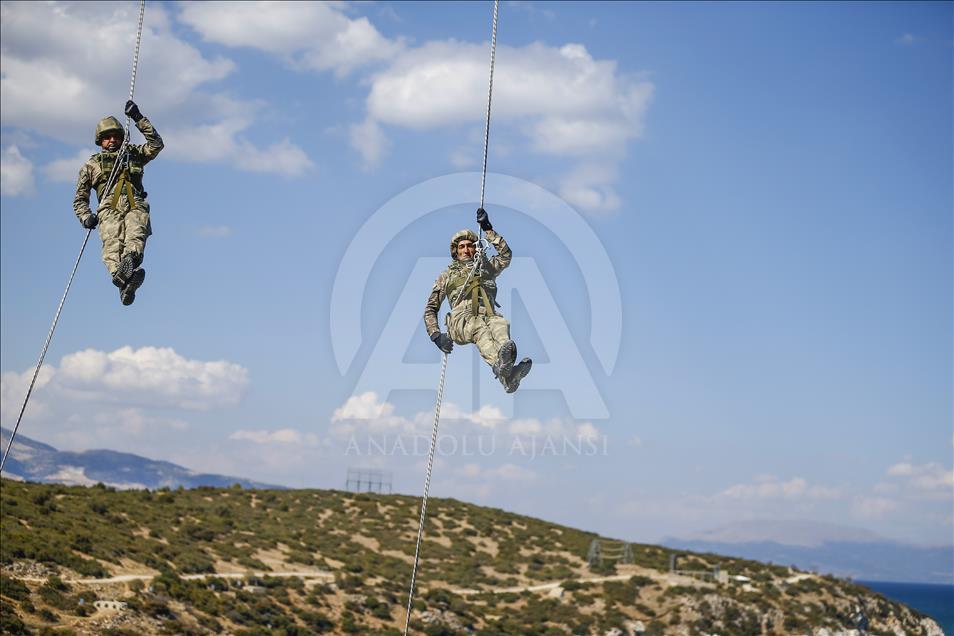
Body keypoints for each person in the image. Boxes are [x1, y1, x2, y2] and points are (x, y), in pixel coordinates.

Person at [423, 208, 532, 393]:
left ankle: (508, 374)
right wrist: (436, 336)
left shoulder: (486, 268)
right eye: (462, 246)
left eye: (470, 245)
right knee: (478, 328)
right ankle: (500, 363)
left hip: (487, 313)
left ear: (476, 248)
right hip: (461, 320)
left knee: (500, 324)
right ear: (456, 252)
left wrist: (488, 229)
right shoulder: (447, 275)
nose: (466, 249)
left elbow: (506, 256)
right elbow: (431, 308)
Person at [74, 100, 163, 306]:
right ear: (100, 141)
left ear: (122, 138)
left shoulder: (133, 154)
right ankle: (122, 278)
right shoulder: (92, 164)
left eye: (116, 136)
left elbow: (156, 145)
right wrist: (86, 217)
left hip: (135, 203)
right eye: (107, 137)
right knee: (113, 244)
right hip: (109, 207)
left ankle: (128, 268)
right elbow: (80, 197)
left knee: (136, 235)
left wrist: (139, 118)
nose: (112, 140)